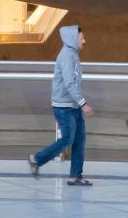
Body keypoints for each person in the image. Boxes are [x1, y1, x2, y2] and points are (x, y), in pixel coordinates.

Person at [28, 25, 94, 186]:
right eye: (81, 38)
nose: (84, 41)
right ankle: (36, 159)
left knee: (80, 139)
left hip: (73, 105)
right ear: (73, 39)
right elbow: (70, 83)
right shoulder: (66, 56)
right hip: (63, 106)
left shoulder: (73, 54)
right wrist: (83, 103)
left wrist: (78, 104)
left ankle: (75, 176)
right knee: (67, 139)